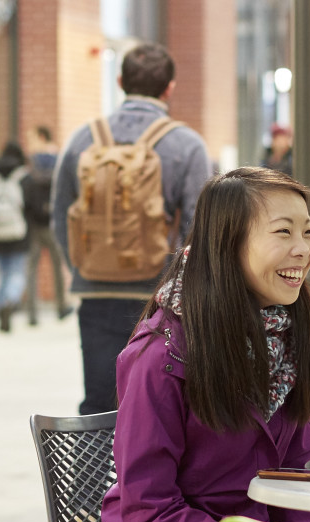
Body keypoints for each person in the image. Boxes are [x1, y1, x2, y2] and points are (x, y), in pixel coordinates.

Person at [100, 167, 310, 522]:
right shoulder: (161, 354)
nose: (303, 249)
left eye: (307, 231)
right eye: (283, 232)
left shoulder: (287, 341)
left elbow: (294, 477)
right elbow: (148, 509)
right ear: (227, 244)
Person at [52, 42, 214, 417]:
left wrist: (84, 264)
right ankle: (143, 477)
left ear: (121, 80)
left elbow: (61, 215)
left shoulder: (82, 138)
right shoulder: (186, 144)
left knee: (96, 405)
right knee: (155, 408)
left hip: (95, 291)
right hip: (158, 298)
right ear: (169, 88)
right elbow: (200, 227)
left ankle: (91, 477)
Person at [0, 142, 32, 332]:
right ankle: (11, 301)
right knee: (17, 272)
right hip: (19, 233)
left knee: (3, 272)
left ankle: (1, 305)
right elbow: (31, 204)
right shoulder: (23, 176)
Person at [21, 125, 68, 325]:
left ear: (41, 137)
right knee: (58, 267)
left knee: (31, 268)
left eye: (32, 138)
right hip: (53, 223)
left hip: (33, 223)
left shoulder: (31, 163)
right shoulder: (60, 159)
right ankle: (61, 307)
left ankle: (32, 313)